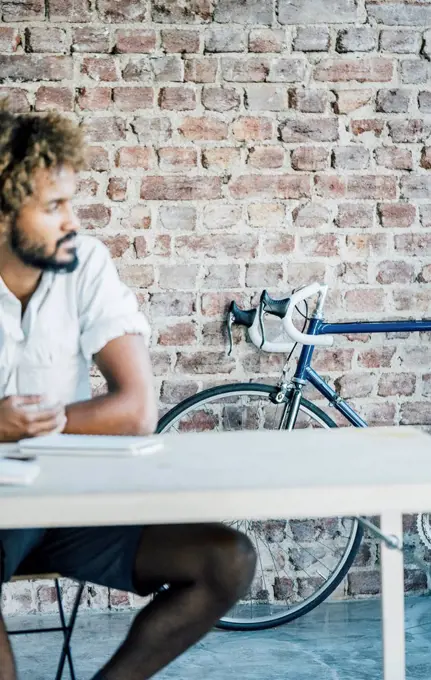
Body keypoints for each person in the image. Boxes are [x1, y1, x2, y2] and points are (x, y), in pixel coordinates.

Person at [0, 103, 256, 680]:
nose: (72, 220)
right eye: (54, 207)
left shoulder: (84, 262)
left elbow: (136, 409)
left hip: (72, 505)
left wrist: (33, 424)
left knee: (227, 561)